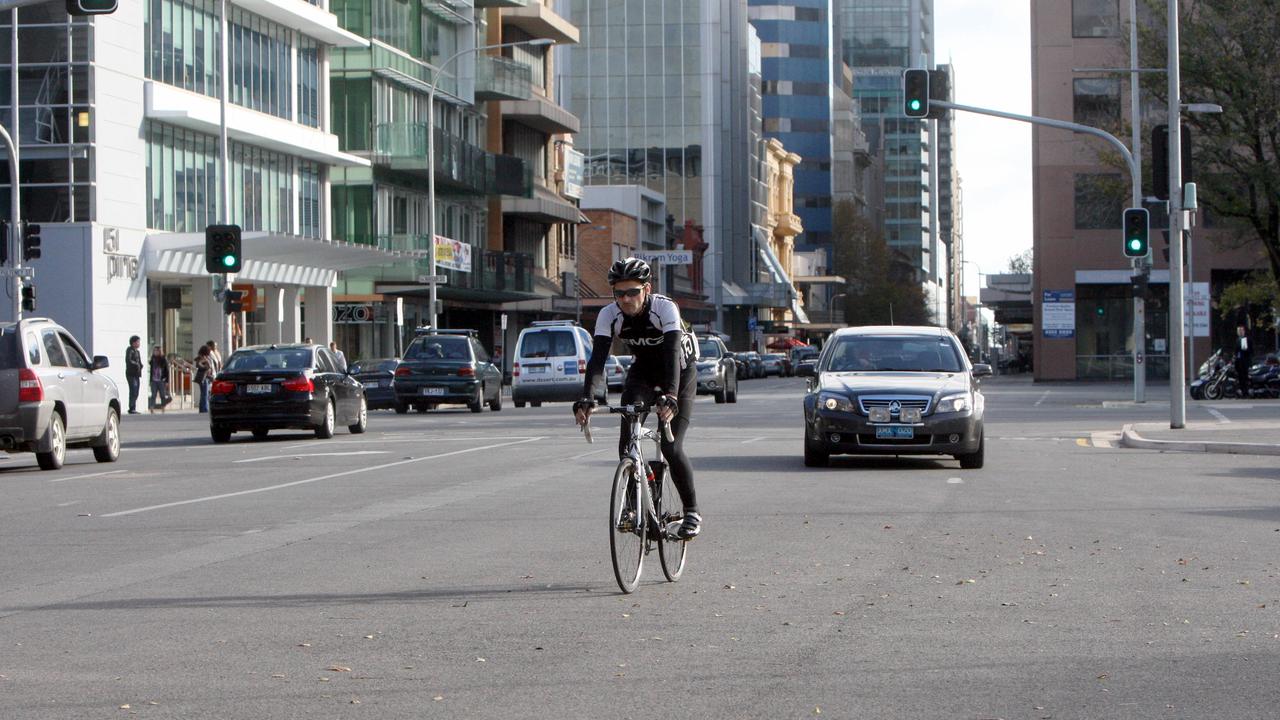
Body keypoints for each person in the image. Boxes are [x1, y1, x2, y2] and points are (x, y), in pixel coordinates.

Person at [573, 257, 702, 540]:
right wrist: (587, 398)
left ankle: (692, 511)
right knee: (627, 440)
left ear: (647, 289)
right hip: (643, 371)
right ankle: (633, 507)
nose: (626, 299)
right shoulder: (610, 315)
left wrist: (670, 395)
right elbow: (597, 360)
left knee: (670, 445)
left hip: (679, 370)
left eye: (633, 292)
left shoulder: (664, 308)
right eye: (619, 293)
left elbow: (670, 356)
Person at [148, 346, 171, 413]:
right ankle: (152, 408)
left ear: (160, 351)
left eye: (157, 351)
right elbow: (151, 369)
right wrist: (150, 381)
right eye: (154, 351)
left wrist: (167, 381)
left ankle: (163, 407)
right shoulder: (153, 359)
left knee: (162, 395)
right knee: (153, 395)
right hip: (153, 380)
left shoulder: (163, 359)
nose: (155, 352)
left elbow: (167, 371)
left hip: (161, 380)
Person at [125, 335, 143, 414]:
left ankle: (133, 407)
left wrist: (141, 365)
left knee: (136, 391)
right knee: (133, 390)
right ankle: (131, 408)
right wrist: (136, 364)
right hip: (131, 374)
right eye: (137, 342)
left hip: (136, 374)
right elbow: (128, 360)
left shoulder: (137, 352)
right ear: (133, 343)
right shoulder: (130, 350)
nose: (139, 343)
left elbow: (139, 361)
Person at [194, 345, 214, 413]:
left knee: (204, 394)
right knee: (204, 394)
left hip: (205, 377)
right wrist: (206, 365)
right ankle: (204, 409)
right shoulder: (201, 358)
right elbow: (200, 366)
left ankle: (202, 408)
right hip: (203, 378)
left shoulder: (202, 357)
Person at [1234, 324, 1252, 397]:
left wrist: (1246, 350)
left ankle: (1246, 392)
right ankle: (1242, 391)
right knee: (1240, 377)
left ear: (1244, 331)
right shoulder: (1238, 339)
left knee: (1245, 377)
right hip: (1238, 362)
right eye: (1238, 331)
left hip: (1245, 361)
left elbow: (1250, 350)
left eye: (1241, 330)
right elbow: (1236, 350)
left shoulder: (1247, 339)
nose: (1240, 332)